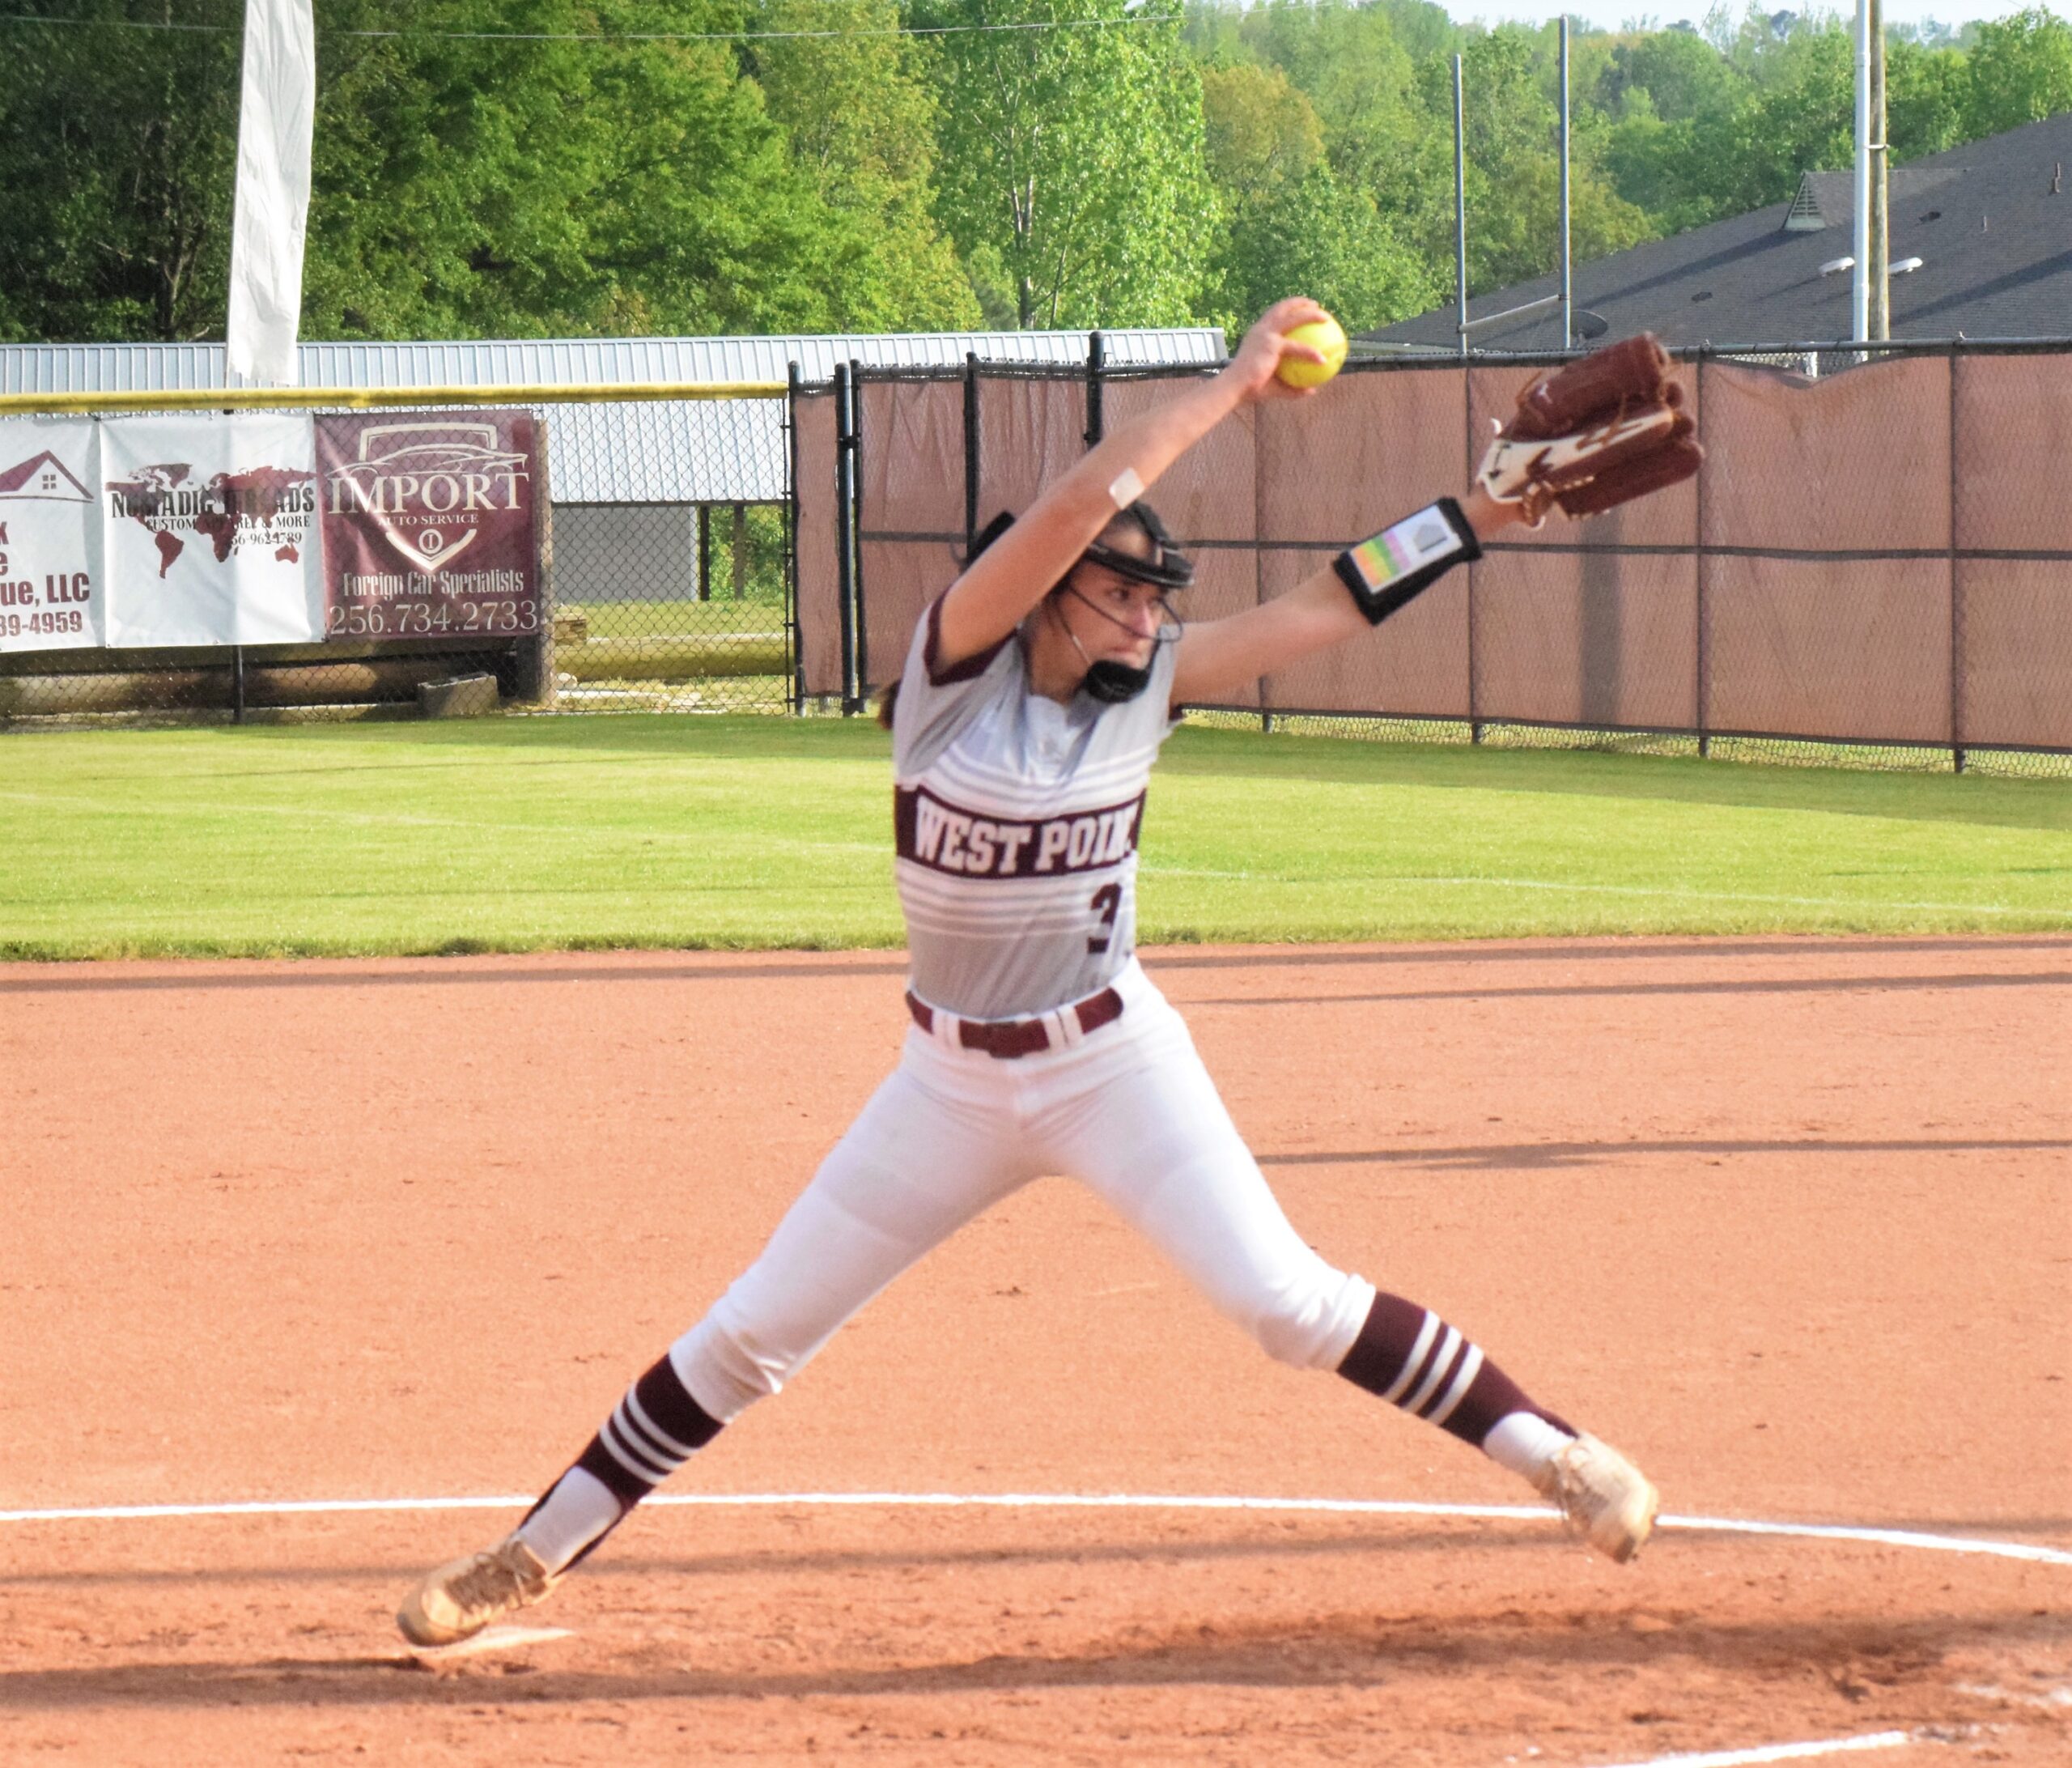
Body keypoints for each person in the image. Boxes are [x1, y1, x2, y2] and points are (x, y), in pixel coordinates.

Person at [398, 300, 1690, 1647]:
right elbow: (1082, 502)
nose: (1147, 615)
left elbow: (1331, 598)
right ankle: (528, 1554)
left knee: (1286, 1305)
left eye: (1154, 598)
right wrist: (1233, 387)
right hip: (945, 1086)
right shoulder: (950, 676)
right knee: (750, 1336)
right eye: (1122, 591)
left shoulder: (1153, 686)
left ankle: (1560, 1457)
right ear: (1049, 590)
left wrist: (1478, 516)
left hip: (1112, 1060)